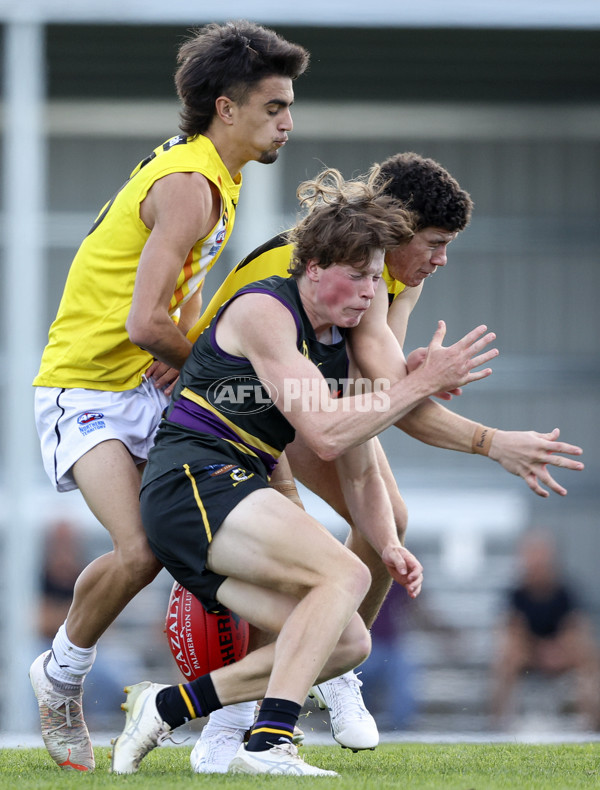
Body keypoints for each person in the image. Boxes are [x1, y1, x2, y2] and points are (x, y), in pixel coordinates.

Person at [184, 152, 585, 770]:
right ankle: (237, 722)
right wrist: (490, 440)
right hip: (237, 410)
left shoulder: (395, 278)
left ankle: (332, 671)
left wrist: (412, 379)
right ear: (395, 230)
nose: (441, 258)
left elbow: (382, 390)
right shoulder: (338, 269)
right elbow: (395, 398)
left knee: (386, 520)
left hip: (303, 404)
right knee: (290, 570)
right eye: (434, 242)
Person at [109, 167, 498, 776]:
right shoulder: (268, 311)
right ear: (313, 266)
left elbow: (361, 465)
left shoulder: (332, 333)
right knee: (341, 574)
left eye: (377, 278)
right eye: (359, 276)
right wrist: (422, 386)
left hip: (227, 495)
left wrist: (390, 542)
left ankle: (168, 706)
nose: (373, 292)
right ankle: (269, 742)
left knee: (346, 643)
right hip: (193, 483)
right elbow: (323, 432)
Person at [29, 20, 309, 773]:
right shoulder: (190, 185)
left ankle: (251, 720)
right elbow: (144, 321)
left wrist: (186, 354)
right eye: (275, 106)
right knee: (145, 549)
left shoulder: (219, 173)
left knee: (271, 502)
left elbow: (174, 306)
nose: (289, 121)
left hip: (150, 379)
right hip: (87, 384)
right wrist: (205, 366)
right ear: (227, 107)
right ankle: (61, 678)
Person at [490, 529, 600, 731]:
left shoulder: (566, 591)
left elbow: (575, 627)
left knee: (588, 656)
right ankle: (500, 725)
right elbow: (512, 629)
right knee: (506, 657)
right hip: (528, 653)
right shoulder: (516, 593)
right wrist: (539, 650)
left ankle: (592, 725)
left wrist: (556, 651)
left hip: (561, 651)